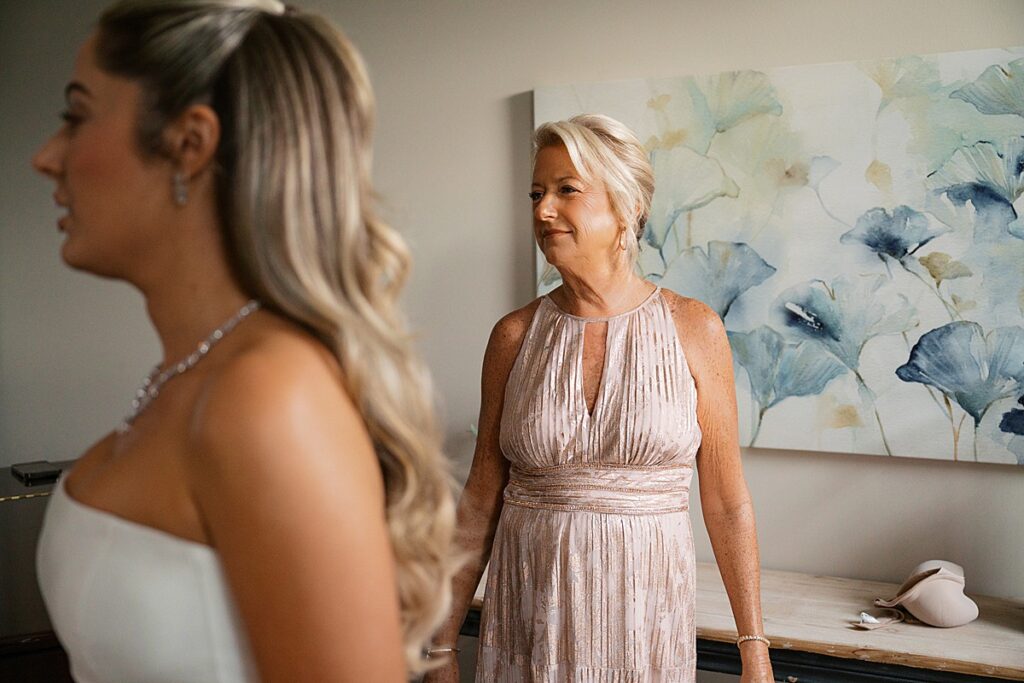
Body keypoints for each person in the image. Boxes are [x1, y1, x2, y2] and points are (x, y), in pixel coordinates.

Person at [31, 1, 455, 681]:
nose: (45, 157)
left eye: (76, 115)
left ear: (189, 143)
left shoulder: (267, 397)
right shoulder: (191, 378)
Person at [426, 115, 774, 682]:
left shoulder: (694, 328)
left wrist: (753, 649)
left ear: (626, 206)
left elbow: (727, 502)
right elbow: (480, 499)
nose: (543, 210)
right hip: (530, 623)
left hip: (646, 625)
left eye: (566, 190)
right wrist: (441, 648)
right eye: (536, 194)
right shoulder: (514, 336)